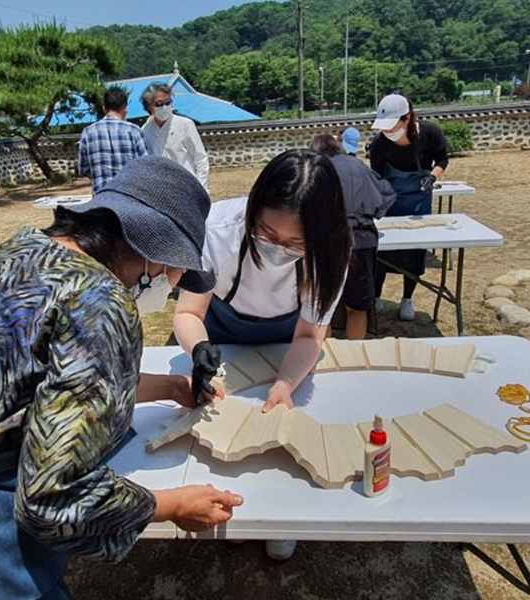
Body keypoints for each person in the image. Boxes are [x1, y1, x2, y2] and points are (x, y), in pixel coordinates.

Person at [0, 156, 243, 599]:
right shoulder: (100, 301)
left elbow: (43, 384)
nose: (174, 285)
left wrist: (173, 387)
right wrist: (170, 505)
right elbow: (51, 495)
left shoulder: (19, 252)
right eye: (178, 272)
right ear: (152, 256)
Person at [173, 149, 351, 561]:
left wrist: (286, 383)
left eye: (294, 243)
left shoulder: (334, 252)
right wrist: (200, 349)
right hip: (217, 329)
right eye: (266, 234)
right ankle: (232, 510)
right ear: (253, 212)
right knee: (216, 426)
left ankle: (279, 519)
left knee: (279, 426)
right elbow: (188, 312)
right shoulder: (218, 228)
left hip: (287, 339)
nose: (276, 248)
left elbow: (310, 335)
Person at [369, 94, 448, 321]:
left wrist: (432, 177)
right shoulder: (379, 144)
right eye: (384, 128)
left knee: (415, 252)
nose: (388, 131)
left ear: (407, 118)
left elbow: (442, 160)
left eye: (392, 126)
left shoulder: (430, 133)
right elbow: (377, 176)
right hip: (390, 202)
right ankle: (376, 296)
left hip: (419, 201)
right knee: (382, 252)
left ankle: (407, 299)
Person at [309, 134, 396, 339]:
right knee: (357, 306)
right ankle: (355, 354)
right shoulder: (357, 166)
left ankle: (325, 358)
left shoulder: (314, 168)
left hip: (325, 243)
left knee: (322, 308)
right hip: (361, 240)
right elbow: (387, 194)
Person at [78, 86, 148, 193]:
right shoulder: (134, 130)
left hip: (101, 199)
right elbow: (145, 166)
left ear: (104, 108)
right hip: (129, 197)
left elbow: (83, 168)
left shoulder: (88, 132)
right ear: (125, 108)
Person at [141, 83, 209, 190]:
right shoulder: (145, 130)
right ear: (149, 105)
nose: (164, 107)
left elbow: (200, 159)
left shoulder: (185, 124)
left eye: (167, 102)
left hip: (188, 188)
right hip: (162, 191)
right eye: (159, 104)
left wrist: (201, 188)